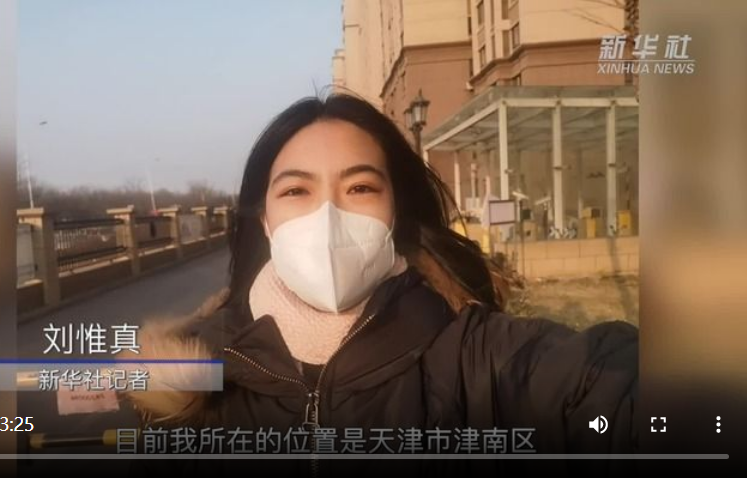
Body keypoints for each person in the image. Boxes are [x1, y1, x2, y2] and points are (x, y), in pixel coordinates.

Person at [125, 93, 638, 476]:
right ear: (265, 221)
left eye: (361, 187)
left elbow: (604, 382)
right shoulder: (189, 380)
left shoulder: (476, 357)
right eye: (297, 190)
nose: (328, 217)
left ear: (395, 212)